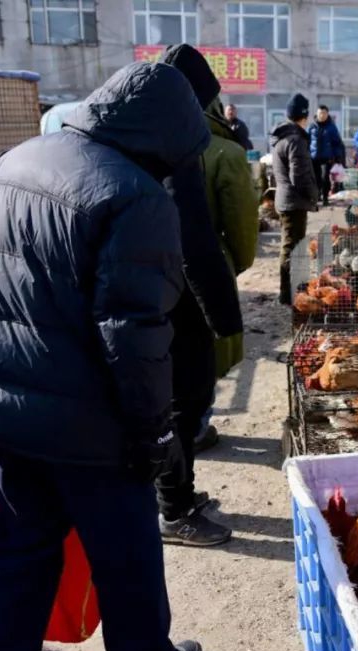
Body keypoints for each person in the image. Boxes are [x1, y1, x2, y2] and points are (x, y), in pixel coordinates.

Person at [0, 61, 206, 651]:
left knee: (19, 563)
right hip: (90, 428)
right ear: (165, 134)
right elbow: (134, 335)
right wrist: (157, 433)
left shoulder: (16, 160)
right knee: (129, 559)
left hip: (4, 414)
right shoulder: (138, 196)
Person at [157, 44, 241, 546]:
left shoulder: (144, 135)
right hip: (171, 296)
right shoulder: (176, 144)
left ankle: (176, 493)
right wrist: (223, 316)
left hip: (159, 291)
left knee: (177, 402)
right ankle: (174, 509)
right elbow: (194, 239)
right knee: (181, 401)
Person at [194, 96, 259, 451]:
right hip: (205, 263)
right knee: (204, 344)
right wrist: (237, 260)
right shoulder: (223, 152)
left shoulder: (139, 144)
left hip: (146, 266)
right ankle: (197, 425)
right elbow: (242, 222)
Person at [271, 93, 320, 304]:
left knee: (289, 246)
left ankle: (289, 293)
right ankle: (291, 295)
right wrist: (313, 195)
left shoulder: (283, 138)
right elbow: (299, 176)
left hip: (286, 199)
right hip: (294, 201)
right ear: (303, 115)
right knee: (293, 248)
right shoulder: (295, 140)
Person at [308, 105, 346, 206]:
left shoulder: (331, 127)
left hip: (327, 157)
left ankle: (325, 197)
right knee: (316, 178)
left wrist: (338, 156)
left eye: (324, 113)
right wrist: (306, 154)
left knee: (325, 177)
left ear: (327, 114)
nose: (322, 115)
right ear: (317, 114)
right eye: (320, 113)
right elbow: (306, 141)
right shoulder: (312, 126)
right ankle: (317, 197)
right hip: (314, 157)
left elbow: (337, 143)